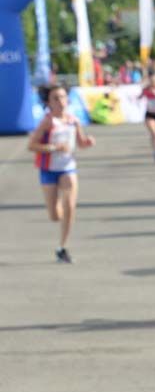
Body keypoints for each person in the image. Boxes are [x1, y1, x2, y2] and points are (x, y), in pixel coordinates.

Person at [28, 84, 95, 263]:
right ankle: (57, 206)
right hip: (48, 170)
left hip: (68, 168)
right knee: (55, 215)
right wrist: (54, 147)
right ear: (48, 103)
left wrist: (87, 142)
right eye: (55, 98)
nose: (60, 102)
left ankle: (62, 247)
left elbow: (80, 143)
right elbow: (31, 146)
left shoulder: (74, 121)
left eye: (63, 97)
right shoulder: (47, 121)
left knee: (70, 207)